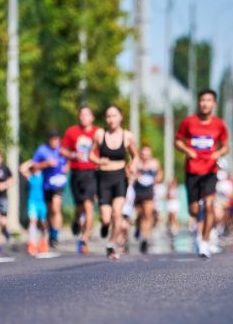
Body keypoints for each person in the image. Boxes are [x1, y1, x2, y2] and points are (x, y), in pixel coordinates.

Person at [175, 88, 229, 258]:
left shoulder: (219, 124)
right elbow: (177, 140)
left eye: (208, 100)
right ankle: (201, 227)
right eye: (202, 100)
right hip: (192, 170)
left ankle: (204, 241)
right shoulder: (189, 122)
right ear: (199, 103)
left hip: (210, 171)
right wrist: (186, 150)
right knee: (193, 210)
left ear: (214, 104)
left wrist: (218, 153)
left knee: (210, 205)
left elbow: (226, 146)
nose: (205, 103)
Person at [90, 105, 139, 259]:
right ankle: (105, 226)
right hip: (103, 178)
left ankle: (111, 244)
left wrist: (132, 165)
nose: (111, 120)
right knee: (106, 218)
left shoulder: (127, 136)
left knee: (117, 213)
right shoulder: (99, 134)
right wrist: (99, 160)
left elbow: (135, 155)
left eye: (114, 116)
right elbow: (90, 155)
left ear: (120, 117)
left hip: (119, 177)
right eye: (108, 116)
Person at [61, 106, 98, 254]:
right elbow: (63, 150)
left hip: (91, 172)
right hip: (76, 172)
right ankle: (76, 220)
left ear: (92, 117)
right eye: (81, 114)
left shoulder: (98, 133)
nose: (84, 117)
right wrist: (72, 155)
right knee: (79, 207)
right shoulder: (71, 131)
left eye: (87, 114)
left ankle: (84, 238)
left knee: (89, 205)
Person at [25, 132, 68, 248]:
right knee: (49, 210)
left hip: (59, 183)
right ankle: (50, 232)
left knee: (55, 207)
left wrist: (66, 168)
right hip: (47, 184)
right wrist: (46, 164)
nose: (55, 142)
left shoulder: (62, 150)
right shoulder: (42, 150)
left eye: (57, 139)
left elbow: (70, 161)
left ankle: (55, 234)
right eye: (53, 140)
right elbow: (33, 166)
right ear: (49, 140)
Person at [132, 144, 162, 253]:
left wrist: (156, 180)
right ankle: (138, 228)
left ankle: (145, 237)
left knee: (148, 214)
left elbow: (159, 174)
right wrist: (134, 177)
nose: (145, 157)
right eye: (143, 154)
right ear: (141, 155)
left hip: (149, 191)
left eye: (147, 155)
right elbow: (129, 172)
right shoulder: (136, 163)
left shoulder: (154, 163)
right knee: (140, 215)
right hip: (138, 191)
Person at [18, 161, 48, 256]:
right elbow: (21, 169)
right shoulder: (31, 177)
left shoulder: (44, 176)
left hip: (42, 202)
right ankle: (32, 244)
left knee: (43, 223)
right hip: (33, 203)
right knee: (33, 222)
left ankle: (43, 242)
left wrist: (41, 163)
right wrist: (32, 161)